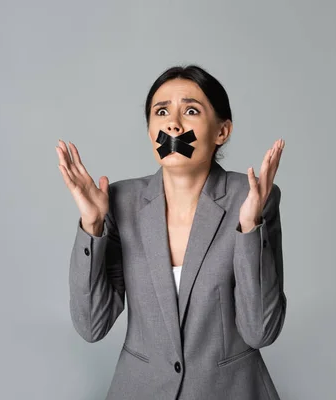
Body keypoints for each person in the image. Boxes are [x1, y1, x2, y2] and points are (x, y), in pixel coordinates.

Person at [55, 64, 286, 399]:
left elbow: (260, 331)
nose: (173, 124)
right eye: (161, 112)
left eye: (191, 110)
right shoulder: (121, 201)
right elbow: (92, 325)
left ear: (222, 131)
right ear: (150, 130)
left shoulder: (251, 196)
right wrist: (93, 226)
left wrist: (250, 227)